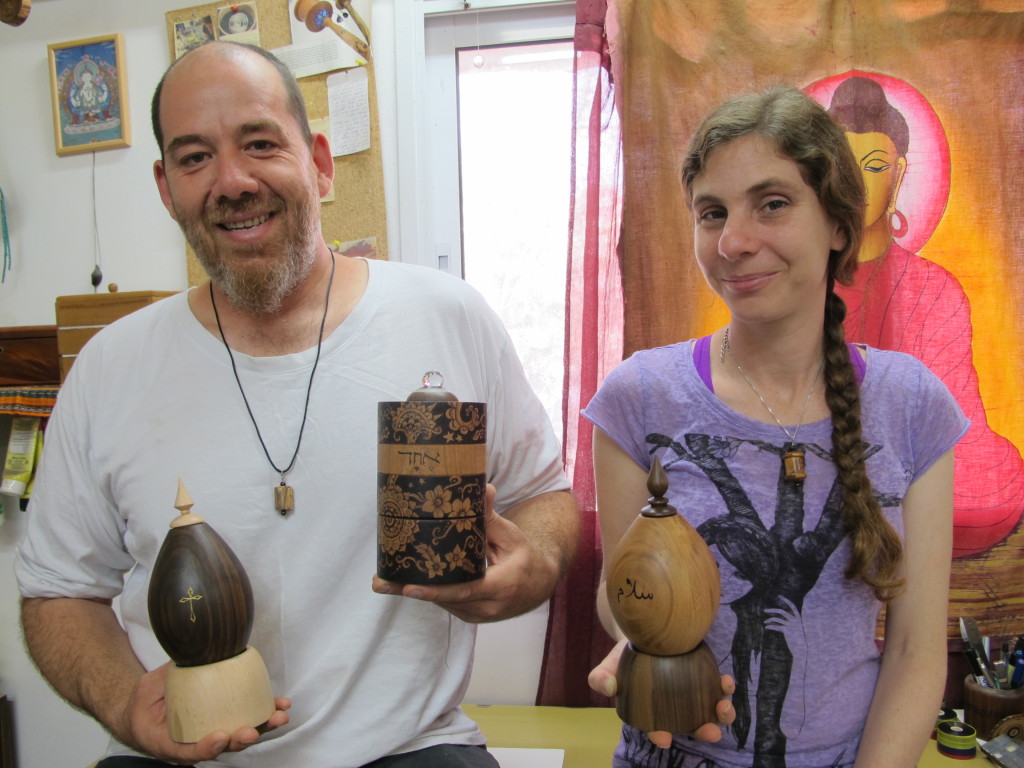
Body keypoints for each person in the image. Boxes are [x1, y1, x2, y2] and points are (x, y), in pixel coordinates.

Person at [15, 41, 579, 767]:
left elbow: (545, 497)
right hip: (184, 753)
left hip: (411, 750)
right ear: (166, 187)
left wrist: (535, 565)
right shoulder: (108, 369)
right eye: (194, 158)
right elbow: (60, 593)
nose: (233, 181)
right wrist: (126, 703)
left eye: (259, 143)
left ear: (319, 160)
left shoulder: (448, 316)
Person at [584, 86, 967, 767]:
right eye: (712, 213)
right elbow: (621, 589)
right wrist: (642, 636)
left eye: (773, 204)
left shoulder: (912, 406)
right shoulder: (636, 399)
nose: (733, 241)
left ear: (840, 225)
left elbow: (914, 651)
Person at [823, 74, 1024, 557]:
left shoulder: (935, 291)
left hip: (928, 464)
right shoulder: (801, 283)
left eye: (874, 165)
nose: (857, 184)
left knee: (985, 491)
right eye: (843, 166)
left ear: (900, 172)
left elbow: (955, 424)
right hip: (819, 461)